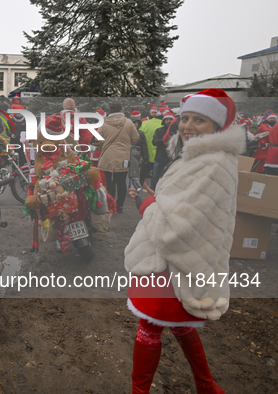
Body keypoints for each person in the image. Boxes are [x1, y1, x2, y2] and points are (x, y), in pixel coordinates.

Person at [126, 88, 243, 394]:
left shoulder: (211, 165)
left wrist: (146, 203)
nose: (188, 126)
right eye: (185, 118)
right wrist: (155, 199)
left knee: (149, 329)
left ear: (217, 127)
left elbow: (177, 230)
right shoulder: (203, 157)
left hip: (173, 262)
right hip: (179, 263)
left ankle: (140, 391)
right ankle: (207, 385)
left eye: (199, 120)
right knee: (180, 325)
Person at [96, 102, 139, 213]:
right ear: (121, 110)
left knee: (109, 182)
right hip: (123, 157)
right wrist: (126, 144)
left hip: (107, 157)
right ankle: (119, 206)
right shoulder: (129, 123)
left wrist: (102, 149)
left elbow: (97, 139)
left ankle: (111, 205)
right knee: (121, 182)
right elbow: (135, 138)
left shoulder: (104, 123)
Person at [150, 109, 175, 190]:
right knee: (155, 177)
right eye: (167, 119)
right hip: (159, 158)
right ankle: (152, 191)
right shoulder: (159, 130)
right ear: (164, 121)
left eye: (170, 119)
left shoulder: (176, 130)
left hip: (171, 159)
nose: (168, 121)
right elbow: (154, 141)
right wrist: (164, 141)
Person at [139, 108, 163, 185]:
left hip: (146, 156)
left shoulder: (144, 123)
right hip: (159, 156)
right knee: (157, 177)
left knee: (142, 175)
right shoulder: (163, 125)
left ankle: (138, 189)